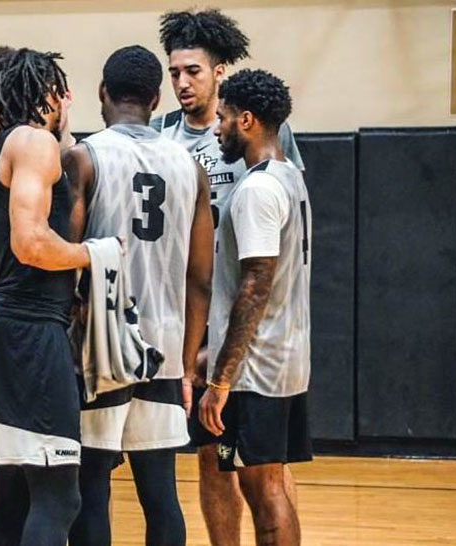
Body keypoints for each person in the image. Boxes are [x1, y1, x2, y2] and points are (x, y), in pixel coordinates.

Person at [151, 9, 305, 546]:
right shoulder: (160, 135)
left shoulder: (263, 137)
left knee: (264, 467)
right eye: (173, 72)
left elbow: (277, 241)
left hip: (249, 323)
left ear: (220, 73)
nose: (181, 82)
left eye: (192, 70)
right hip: (192, 315)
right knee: (212, 458)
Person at [63, 45, 214, 546]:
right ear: (155, 98)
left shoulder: (84, 156)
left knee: (90, 487)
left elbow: (67, 261)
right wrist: (189, 364)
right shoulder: (190, 167)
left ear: (102, 94)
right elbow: (200, 278)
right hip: (164, 347)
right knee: (160, 493)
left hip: (99, 346)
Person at [0, 48, 92, 546]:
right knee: (60, 496)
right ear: (44, 93)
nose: (67, 100)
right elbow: (31, 243)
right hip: (31, 331)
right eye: (59, 90)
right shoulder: (33, 142)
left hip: (1, 324)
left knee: (13, 494)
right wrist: (96, 254)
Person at [199, 68, 313, 546]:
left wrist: (220, 380)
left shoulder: (257, 190)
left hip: (256, 372)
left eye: (223, 118)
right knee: (270, 489)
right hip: (285, 362)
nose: (217, 127)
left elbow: (255, 286)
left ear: (245, 120)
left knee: (263, 496)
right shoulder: (289, 178)